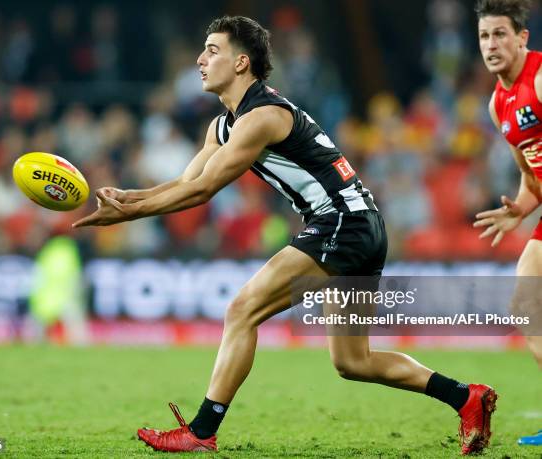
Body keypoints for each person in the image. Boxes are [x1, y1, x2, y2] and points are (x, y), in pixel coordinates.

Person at [74, 16, 497, 455]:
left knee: (243, 310)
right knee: (353, 362)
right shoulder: (224, 125)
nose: (200, 60)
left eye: (212, 51)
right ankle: (465, 397)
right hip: (360, 224)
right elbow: (185, 182)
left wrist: (127, 215)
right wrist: (129, 198)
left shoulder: (262, 116)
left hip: (340, 223)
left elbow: (202, 191)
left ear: (241, 63)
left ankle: (201, 431)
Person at [472, 0, 542, 447]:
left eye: (500, 34)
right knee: (525, 304)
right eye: (483, 36)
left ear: (522, 38)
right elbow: (530, 172)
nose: (491, 44)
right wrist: (520, 206)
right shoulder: (499, 103)